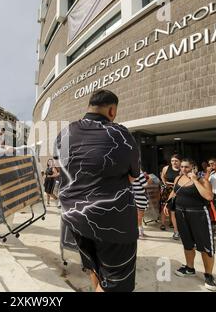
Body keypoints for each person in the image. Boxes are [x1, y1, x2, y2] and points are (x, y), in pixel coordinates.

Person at [54, 90, 140, 292]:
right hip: (113, 223)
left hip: (75, 219)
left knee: (93, 266)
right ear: (112, 110)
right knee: (117, 283)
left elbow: (61, 170)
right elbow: (133, 176)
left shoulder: (64, 133)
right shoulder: (120, 134)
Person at [163, 159, 216, 291]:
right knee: (187, 243)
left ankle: (209, 275)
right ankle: (190, 268)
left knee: (205, 246)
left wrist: (196, 180)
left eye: (187, 167)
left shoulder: (203, 181)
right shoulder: (178, 178)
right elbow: (174, 191)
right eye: (182, 167)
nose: (183, 169)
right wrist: (167, 203)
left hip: (199, 215)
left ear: (194, 167)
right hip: (181, 214)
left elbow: (209, 196)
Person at [160, 154, 182, 240]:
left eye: (176, 161)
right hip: (167, 190)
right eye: (172, 161)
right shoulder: (166, 168)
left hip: (178, 190)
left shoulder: (182, 169)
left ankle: (175, 226)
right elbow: (162, 176)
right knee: (164, 206)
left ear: (180, 161)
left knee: (175, 209)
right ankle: (163, 223)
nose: (174, 162)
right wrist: (165, 183)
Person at [133, 170, 149, 239]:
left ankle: (140, 231)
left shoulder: (129, 171)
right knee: (140, 215)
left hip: (133, 195)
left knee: (137, 215)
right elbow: (145, 185)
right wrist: (149, 179)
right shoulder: (139, 172)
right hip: (140, 196)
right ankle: (139, 232)